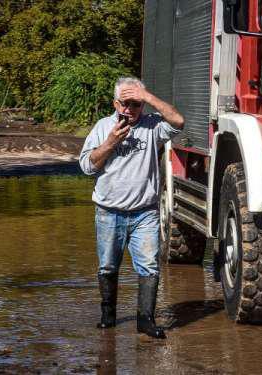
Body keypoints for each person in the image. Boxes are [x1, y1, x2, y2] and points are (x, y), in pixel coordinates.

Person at [79, 77, 184, 339]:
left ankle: (145, 321)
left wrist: (147, 96)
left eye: (135, 104)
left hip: (145, 213)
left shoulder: (152, 126)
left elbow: (178, 122)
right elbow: (86, 166)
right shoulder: (103, 127)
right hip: (108, 212)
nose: (129, 110)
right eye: (125, 104)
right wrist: (110, 143)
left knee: (149, 267)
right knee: (107, 267)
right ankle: (108, 318)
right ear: (116, 103)